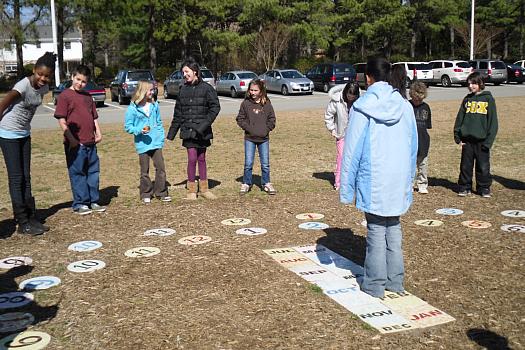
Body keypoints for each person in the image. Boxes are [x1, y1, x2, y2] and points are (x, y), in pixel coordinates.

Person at [340, 57, 417, 299]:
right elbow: (413, 144)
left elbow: (351, 151)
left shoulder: (362, 107)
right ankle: (395, 281)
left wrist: (346, 188)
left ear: (368, 78)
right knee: (393, 228)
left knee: (375, 230)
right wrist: (409, 176)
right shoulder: (405, 105)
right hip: (397, 177)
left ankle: (374, 284)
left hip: (373, 178)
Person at [0, 52, 56, 235]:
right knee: (16, 179)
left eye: (47, 76)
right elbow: (2, 106)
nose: (43, 78)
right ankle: (22, 222)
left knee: (26, 177)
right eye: (40, 74)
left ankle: (31, 216)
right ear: (34, 70)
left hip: (24, 133)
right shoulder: (22, 86)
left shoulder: (44, 88)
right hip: (8, 134)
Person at [54, 65, 106, 215]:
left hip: (91, 143)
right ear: (72, 77)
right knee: (78, 173)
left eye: (83, 81)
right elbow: (62, 120)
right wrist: (71, 139)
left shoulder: (88, 97)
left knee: (93, 172)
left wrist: (99, 133)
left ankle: (93, 200)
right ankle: (81, 203)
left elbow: (93, 117)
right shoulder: (65, 96)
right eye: (78, 79)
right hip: (76, 144)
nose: (80, 83)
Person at [167, 58, 221, 200]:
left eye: (186, 71)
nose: (184, 74)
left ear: (195, 71)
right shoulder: (182, 89)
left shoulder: (207, 88)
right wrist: (171, 133)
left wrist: (203, 126)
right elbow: (178, 113)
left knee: (201, 158)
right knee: (192, 158)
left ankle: (204, 189)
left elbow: (215, 107)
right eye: (183, 72)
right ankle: (191, 191)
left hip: (202, 131)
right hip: (188, 131)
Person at [125, 81, 171, 204]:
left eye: (152, 90)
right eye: (150, 90)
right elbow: (128, 127)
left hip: (156, 142)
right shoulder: (132, 108)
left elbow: (159, 122)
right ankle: (146, 193)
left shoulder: (154, 105)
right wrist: (139, 130)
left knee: (160, 168)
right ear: (143, 91)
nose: (152, 92)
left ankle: (161, 192)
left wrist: (160, 137)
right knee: (144, 170)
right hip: (142, 144)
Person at [453, 72, 498, 198]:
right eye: (469, 84)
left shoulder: (488, 99)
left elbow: (493, 122)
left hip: (482, 141)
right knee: (465, 166)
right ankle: (464, 186)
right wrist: (458, 137)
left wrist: (488, 142)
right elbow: (459, 118)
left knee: (483, 166)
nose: (470, 86)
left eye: (473, 83)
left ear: (481, 84)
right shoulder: (467, 99)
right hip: (467, 140)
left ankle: (483, 188)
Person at [236, 79, 276, 194]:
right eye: (251, 90)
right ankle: (246, 183)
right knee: (248, 163)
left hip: (264, 139)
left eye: (255, 90)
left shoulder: (267, 104)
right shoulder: (245, 103)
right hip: (250, 139)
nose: (253, 92)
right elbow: (240, 119)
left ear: (261, 91)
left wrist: (266, 129)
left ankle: (266, 183)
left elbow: (272, 120)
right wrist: (249, 129)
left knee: (265, 164)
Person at [324, 81, 360, 191]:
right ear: (345, 92)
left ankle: (353, 181)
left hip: (355, 135)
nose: (351, 97)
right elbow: (328, 115)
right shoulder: (336, 101)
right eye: (349, 95)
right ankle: (338, 182)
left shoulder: (359, 102)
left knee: (354, 158)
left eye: (353, 95)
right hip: (341, 134)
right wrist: (332, 130)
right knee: (341, 157)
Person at [409, 81, 432, 194]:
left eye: (420, 99)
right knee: (410, 165)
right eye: (415, 98)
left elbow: (427, 125)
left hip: (423, 140)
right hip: (409, 141)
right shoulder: (407, 106)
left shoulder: (426, 107)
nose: (417, 101)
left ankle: (422, 184)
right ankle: (409, 184)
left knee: (422, 164)